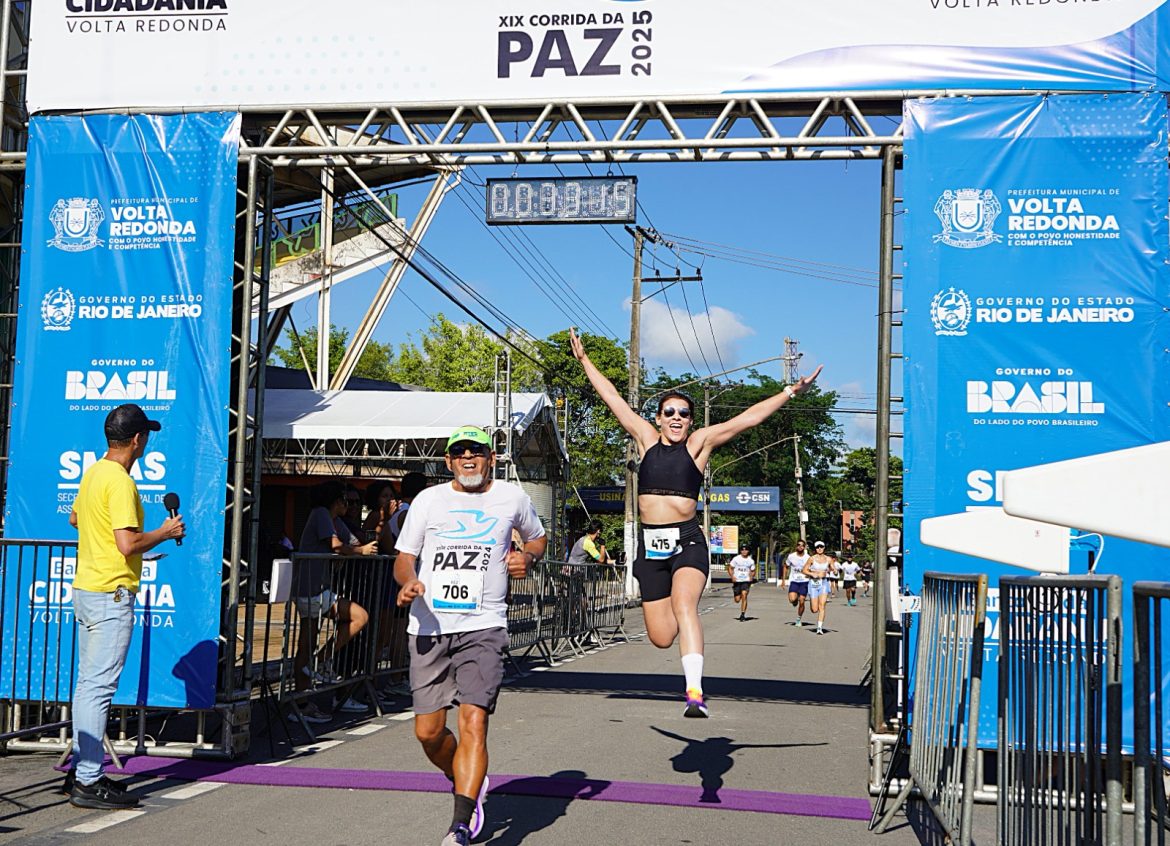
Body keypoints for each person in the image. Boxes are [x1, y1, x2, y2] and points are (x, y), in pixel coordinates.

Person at [571, 327, 821, 718]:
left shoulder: (698, 443)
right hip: (651, 547)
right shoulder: (644, 439)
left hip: (688, 541)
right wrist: (585, 361)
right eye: (669, 412)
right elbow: (613, 398)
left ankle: (694, 692)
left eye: (684, 414)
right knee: (661, 637)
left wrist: (791, 391)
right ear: (658, 418)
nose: (677, 418)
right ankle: (678, 627)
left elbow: (747, 419)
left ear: (690, 421)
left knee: (685, 603)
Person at [395, 426, 547, 846]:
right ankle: (463, 777)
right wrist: (408, 582)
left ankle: (460, 824)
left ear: (490, 458)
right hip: (430, 626)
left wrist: (527, 557)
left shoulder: (512, 498)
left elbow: (537, 538)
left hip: (484, 624)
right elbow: (404, 558)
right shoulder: (429, 500)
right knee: (428, 733)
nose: (467, 457)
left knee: (474, 721)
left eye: (476, 450)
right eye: (458, 451)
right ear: (448, 461)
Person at [65, 404, 185, 809]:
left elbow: (76, 519)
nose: (146, 442)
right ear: (137, 439)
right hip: (110, 593)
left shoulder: (95, 472)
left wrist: (104, 535)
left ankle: (83, 771)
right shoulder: (119, 482)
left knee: (88, 686)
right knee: (97, 688)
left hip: (88, 588)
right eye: (146, 436)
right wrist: (165, 531)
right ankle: (88, 779)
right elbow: (127, 543)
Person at [293, 480, 377, 723]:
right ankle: (317, 666)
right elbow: (337, 545)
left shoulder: (333, 519)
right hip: (311, 587)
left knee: (307, 643)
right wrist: (359, 552)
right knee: (358, 617)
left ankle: (303, 698)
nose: (349, 506)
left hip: (320, 586)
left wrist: (358, 547)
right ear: (336, 500)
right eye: (346, 500)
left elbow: (352, 542)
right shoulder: (320, 513)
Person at [803, 541, 834, 635]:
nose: (819, 548)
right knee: (814, 609)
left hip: (824, 583)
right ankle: (812, 603)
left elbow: (833, 568)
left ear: (824, 548)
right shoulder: (811, 558)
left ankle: (819, 628)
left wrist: (835, 571)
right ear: (815, 549)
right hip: (813, 584)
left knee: (822, 605)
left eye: (821, 547)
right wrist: (812, 574)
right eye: (817, 547)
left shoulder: (828, 559)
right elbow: (804, 570)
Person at [727, 544, 756, 622]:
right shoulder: (736, 559)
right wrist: (732, 576)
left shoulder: (751, 561)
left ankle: (742, 614)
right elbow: (730, 568)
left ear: (748, 551)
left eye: (746, 549)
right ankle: (737, 594)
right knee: (737, 600)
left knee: (744, 594)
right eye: (742, 550)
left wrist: (751, 576)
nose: (744, 551)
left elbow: (753, 571)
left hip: (746, 581)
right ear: (740, 551)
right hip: (737, 581)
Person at [785, 540, 811, 626]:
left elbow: (812, 569)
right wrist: (783, 580)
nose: (800, 547)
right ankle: (795, 601)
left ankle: (799, 618)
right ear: (796, 546)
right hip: (794, 581)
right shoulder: (791, 556)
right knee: (792, 599)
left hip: (804, 581)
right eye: (799, 545)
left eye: (802, 545)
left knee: (802, 601)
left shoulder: (808, 557)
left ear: (804, 547)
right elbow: (786, 566)